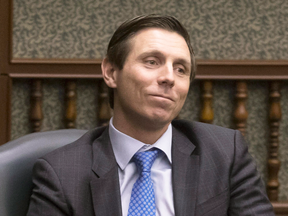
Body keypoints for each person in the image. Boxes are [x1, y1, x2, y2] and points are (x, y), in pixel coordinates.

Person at [27, 15, 275, 216]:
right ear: (111, 72)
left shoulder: (224, 153)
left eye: (181, 69)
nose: (169, 77)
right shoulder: (61, 173)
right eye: (152, 62)